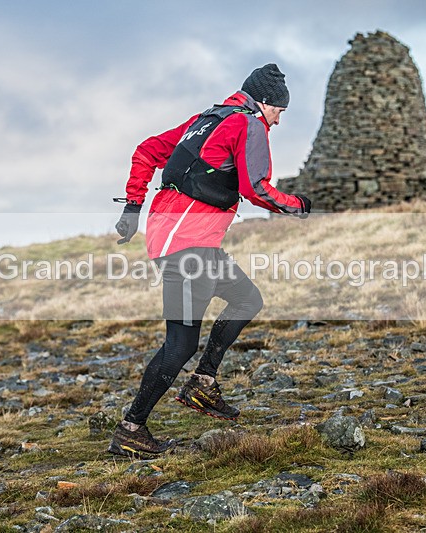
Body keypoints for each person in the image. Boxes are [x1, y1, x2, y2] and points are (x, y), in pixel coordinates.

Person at [109, 63, 311, 458]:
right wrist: (297, 206)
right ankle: (131, 429)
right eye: (280, 113)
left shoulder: (206, 120)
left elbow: (146, 150)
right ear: (265, 103)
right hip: (187, 246)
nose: (278, 121)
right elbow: (255, 188)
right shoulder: (248, 124)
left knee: (247, 300)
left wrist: (134, 206)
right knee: (179, 344)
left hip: (185, 241)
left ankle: (202, 384)